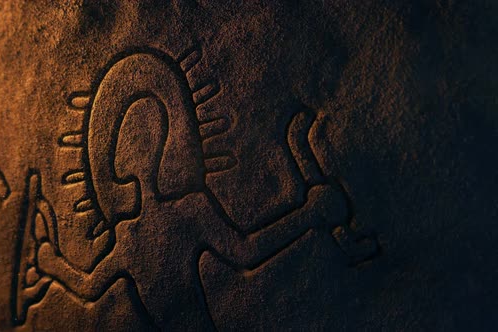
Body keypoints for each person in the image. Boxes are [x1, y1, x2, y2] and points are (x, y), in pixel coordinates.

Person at [30, 98, 348, 330]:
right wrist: (308, 214)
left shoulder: (138, 233)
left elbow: (88, 285)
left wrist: (51, 264)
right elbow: (247, 250)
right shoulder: (170, 217)